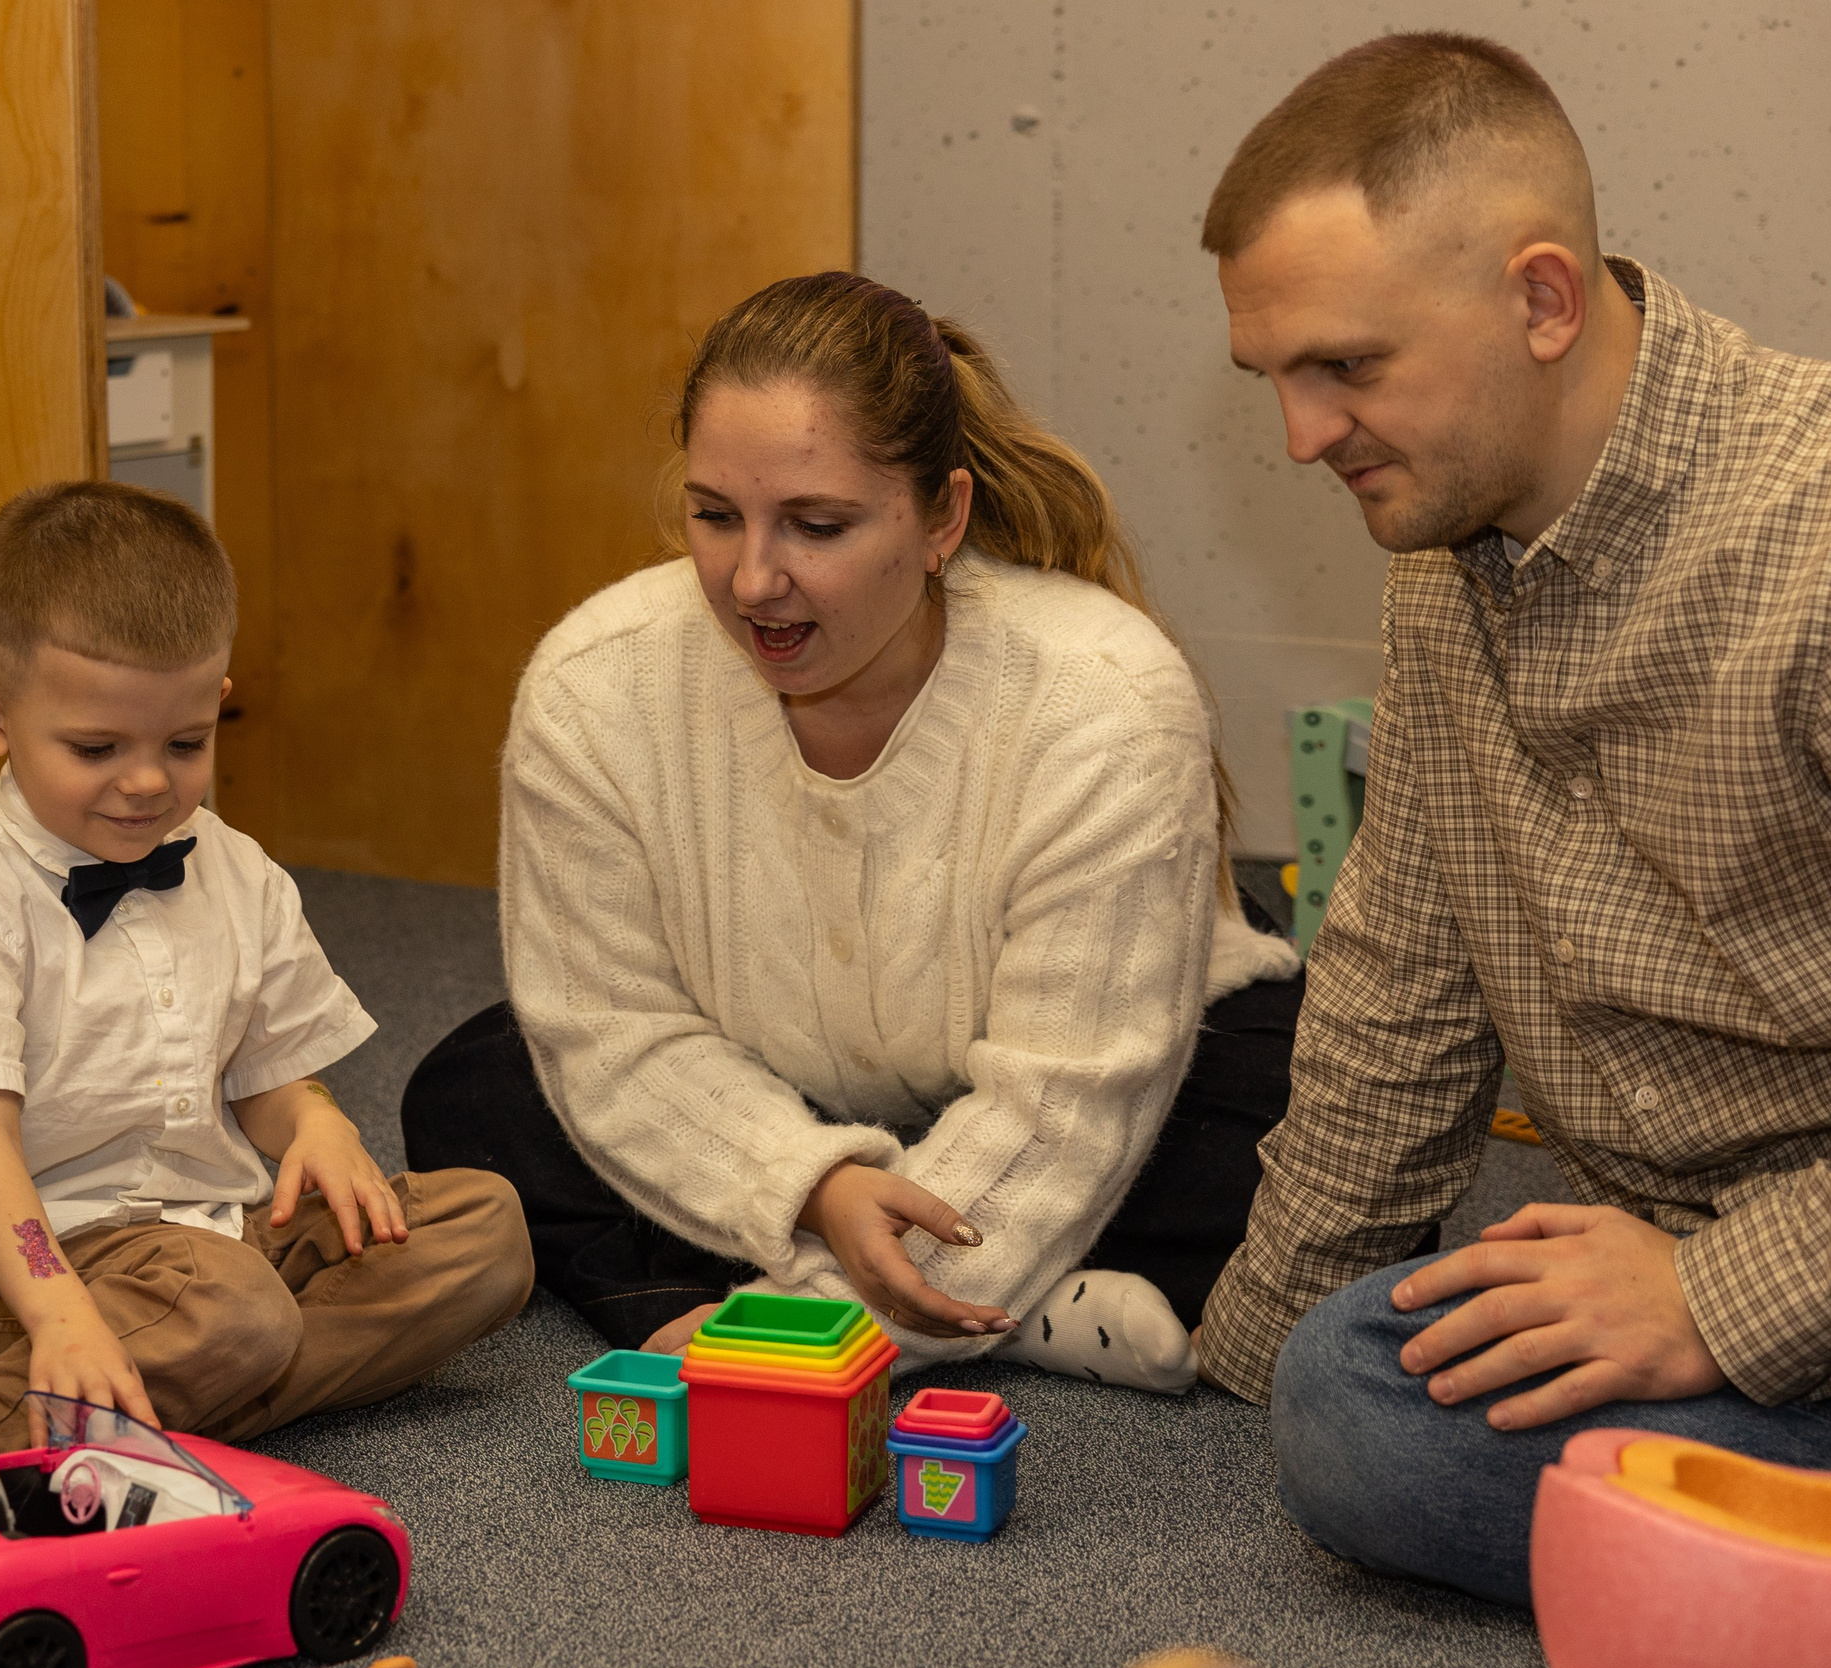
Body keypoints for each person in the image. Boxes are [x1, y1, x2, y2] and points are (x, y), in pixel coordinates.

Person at [1192, 33, 1831, 1605]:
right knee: (1348, 1394)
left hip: (1796, 1269)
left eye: (1346, 368)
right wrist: (1252, 1351)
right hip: (1693, 1286)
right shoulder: (1445, 553)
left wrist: (1718, 1292)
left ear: (1544, 301)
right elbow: (1397, 993)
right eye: (1275, 381)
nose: (1301, 437)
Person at [403, 273, 1302, 1390]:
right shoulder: (593, 684)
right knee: (471, 1093)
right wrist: (809, 1182)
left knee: (1306, 1140)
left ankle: (785, 1298)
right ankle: (1013, 1306)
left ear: (942, 520)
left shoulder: (1105, 697)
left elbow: (1065, 1100)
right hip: (774, 1070)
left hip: (1067, 1038)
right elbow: (609, 1029)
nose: (751, 580)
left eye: (816, 526)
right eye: (714, 515)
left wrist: (788, 1348)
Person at [0, 481, 531, 1482]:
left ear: (218, 705)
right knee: (226, 1307)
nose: (148, 781)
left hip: (218, 1237)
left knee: (483, 1232)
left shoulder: (233, 868)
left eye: (184, 743)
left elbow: (266, 1074)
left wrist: (317, 1126)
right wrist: (58, 1311)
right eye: (96, 748)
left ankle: (172, 1413)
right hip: (17, 1282)